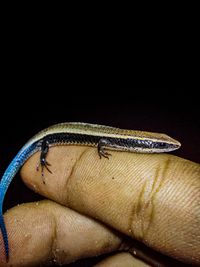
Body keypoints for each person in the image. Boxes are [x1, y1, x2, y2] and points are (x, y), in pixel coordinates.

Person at [0, 145, 199, 266]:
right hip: (43, 141)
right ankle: (42, 158)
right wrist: (43, 159)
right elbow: (101, 143)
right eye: (162, 147)